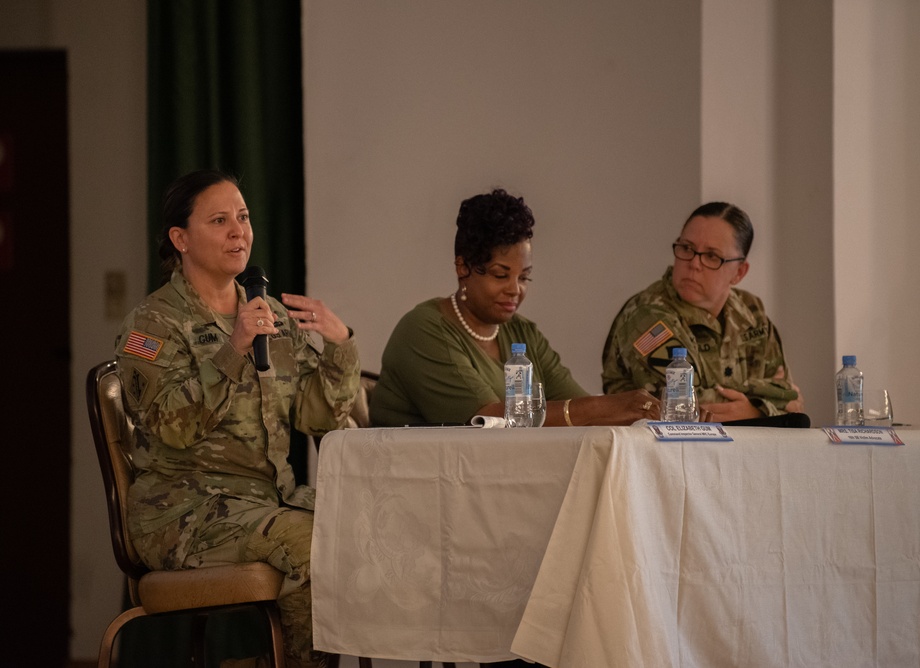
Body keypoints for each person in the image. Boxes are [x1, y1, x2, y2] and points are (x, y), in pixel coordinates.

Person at [115, 169, 359, 668]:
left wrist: (341, 347)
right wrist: (233, 348)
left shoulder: (268, 312)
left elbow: (318, 416)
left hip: (268, 499)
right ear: (180, 239)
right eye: (220, 220)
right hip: (182, 511)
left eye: (243, 218)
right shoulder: (153, 324)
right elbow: (171, 426)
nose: (238, 232)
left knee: (375, 524)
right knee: (312, 544)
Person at [369, 188, 661, 430]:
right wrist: (603, 405)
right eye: (500, 275)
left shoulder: (523, 334)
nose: (515, 289)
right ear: (463, 268)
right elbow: (490, 418)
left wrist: (628, 411)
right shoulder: (423, 329)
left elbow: (579, 406)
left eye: (524, 277)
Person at [601, 201, 802, 422]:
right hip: (660, 452)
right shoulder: (647, 314)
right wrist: (763, 405)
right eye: (687, 248)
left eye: (711, 256)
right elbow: (682, 408)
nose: (694, 264)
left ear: (739, 272)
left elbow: (792, 399)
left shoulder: (751, 312)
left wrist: (754, 410)